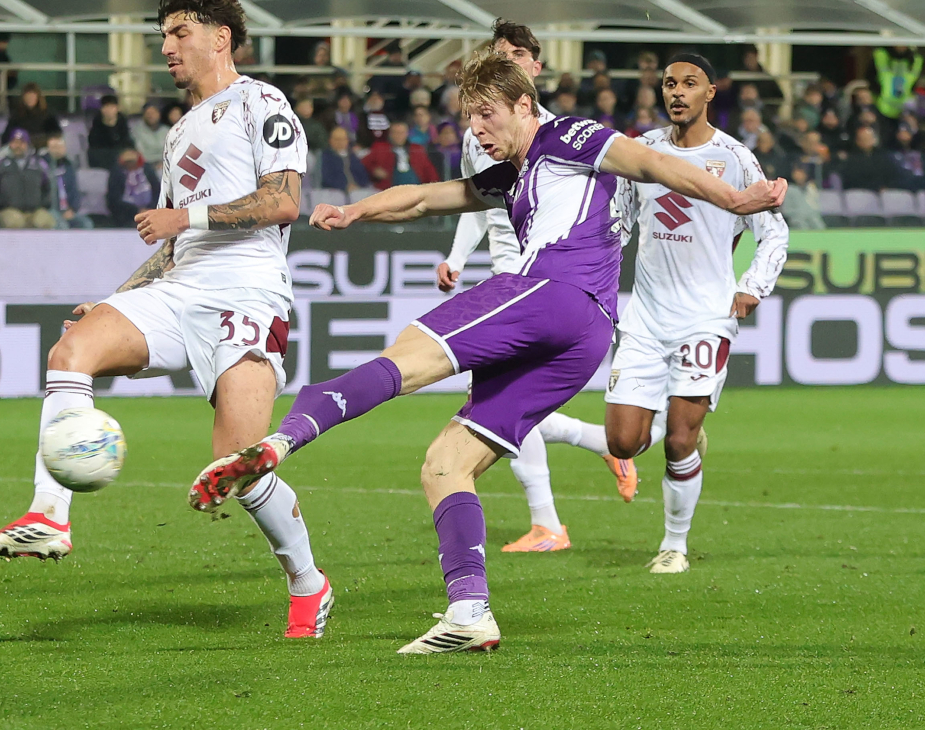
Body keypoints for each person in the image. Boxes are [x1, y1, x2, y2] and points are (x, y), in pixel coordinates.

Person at [188, 51, 785, 654]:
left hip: (553, 292)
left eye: (486, 114)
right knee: (446, 464)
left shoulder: (568, 135)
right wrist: (356, 210)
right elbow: (424, 198)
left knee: (407, 356)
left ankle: (278, 442)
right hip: (583, 338)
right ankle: (469, 612)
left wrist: (734, 201)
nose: (476, 129)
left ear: (524, 104)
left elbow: (652, 161)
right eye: (469, 118)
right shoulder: (514, 175)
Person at [0, 0, 333, 640]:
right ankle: (49, 515)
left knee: (239, 468)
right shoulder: (179, 131)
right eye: (163, 35)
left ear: (219, 37)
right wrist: (120, 295)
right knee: (73, 347)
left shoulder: (262, 102)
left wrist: (182, 214)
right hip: (179, 289)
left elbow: (282, 203)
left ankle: (308, 582)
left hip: (248, 295)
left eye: (178, 33)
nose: (165, 47)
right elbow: (174, 245)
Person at [539, 54, 789, 575]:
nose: (677, 92)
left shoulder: (735, 157)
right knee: (622, 440)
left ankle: (674, 544)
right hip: (646, 319)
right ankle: (685, 426)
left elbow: (774, 231)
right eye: (670, 84)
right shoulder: (643, 151)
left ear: (709, 93)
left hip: (706, 318)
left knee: (677, 441)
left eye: (690, 84)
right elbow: (621, 218)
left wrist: (752, 286)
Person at [437, 19, 633, 554]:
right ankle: (590, 455)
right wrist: (456, 256)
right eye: (499, 53)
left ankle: (549, 521)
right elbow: (476, 199)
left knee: (495, 400)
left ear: (535, 69)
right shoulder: (484, 131)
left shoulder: (563, 133)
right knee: (499, 399)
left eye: (518, 54)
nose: (509, 60)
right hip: (509, 274)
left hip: (548, 281)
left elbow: (617, 192)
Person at [0, 128, 56, 228]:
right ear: (10, 144)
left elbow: (48, 189)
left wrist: (43, 205)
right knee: (15, 223)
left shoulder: (39, 165)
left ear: (27, 145)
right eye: (15, 142)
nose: (18, 146)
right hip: (8, 211)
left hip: (35, 211)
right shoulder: (0, 166)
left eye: (22, 143)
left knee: (45, 221)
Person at [362, 121, 438, 189]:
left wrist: (434, 187)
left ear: (407, 134)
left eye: (402, 133)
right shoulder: (380, 148)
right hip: (390, 189)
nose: (398, 136)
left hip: (416, 188)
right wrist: (374, 170)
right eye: (395, 132)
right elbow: (364, 162)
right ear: (390, 134)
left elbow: (429, 170)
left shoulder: (417, 149)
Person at [41, 133, 93, 229]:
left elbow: (74, 190)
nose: (57, 150)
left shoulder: (69, 167)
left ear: (64, 148)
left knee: (86, 223)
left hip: (67, 210)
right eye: (54, 147)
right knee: (62, 226)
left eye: (60, 147)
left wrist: (72, 209)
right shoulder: (42, 166)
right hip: (49, 210)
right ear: (48, 149)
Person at [869, 46, 923, 125]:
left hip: (904, 110)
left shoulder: (915, 60)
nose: (901, 45)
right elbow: (871, 78)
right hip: (881, 108)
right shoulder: (881, 55)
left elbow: (914, 84)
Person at [106, 147, 158, 227]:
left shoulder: (147, 171)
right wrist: (136, 210)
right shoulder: (117, 174)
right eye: (128, 162)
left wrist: (150, 208)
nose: (131, 165)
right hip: (126, 216)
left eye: (133, 161)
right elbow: (114, 199)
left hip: (151, 212)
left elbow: (157, 191)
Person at [839, 125, 900, 191]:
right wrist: (876, 187)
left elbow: (892, 174)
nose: (866, 141)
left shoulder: (883, 156)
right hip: (861, 193)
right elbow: (852, 180)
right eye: (863, 139)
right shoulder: (851, 159)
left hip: (884, 193)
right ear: (857, 141)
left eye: (868, 138)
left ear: (874, 139)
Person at [2, 82, 60, 149]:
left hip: (42, 148)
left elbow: (56, 134)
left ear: (38, 97)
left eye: (32, 96)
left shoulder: (48, 114)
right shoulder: (17, 114)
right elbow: (7, 135)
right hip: (21, 149)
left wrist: (39, 141)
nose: (30, 99)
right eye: (28, 96)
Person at [87, 94, 133, 170]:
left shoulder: (123, 124)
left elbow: (128, 143)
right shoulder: (96, 126)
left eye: (112, 107)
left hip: (122, 159)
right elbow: (95, 148)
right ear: (101, 109)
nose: (108, 110)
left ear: (117, 108)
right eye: (106, 107)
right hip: (103, 160)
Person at [319, 126, 370, 194]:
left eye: (343, 139)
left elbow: (363, 175)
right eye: (337, 139)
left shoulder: (353, 156)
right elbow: (327, 178)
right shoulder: (326, 156)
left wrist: (358, 186)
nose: (341, 142)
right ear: (330, 140)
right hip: (336, 192)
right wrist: (345, 186)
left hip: (358, 190)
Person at [130, 101, 169, 170]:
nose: (150, 116)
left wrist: (164, 163)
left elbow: (171, 152)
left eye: (153, 113)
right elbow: (140, 152)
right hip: (144, 167)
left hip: (164, 166)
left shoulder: (167, 130)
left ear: (159, 114)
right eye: (148, 113)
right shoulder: (136, 130)